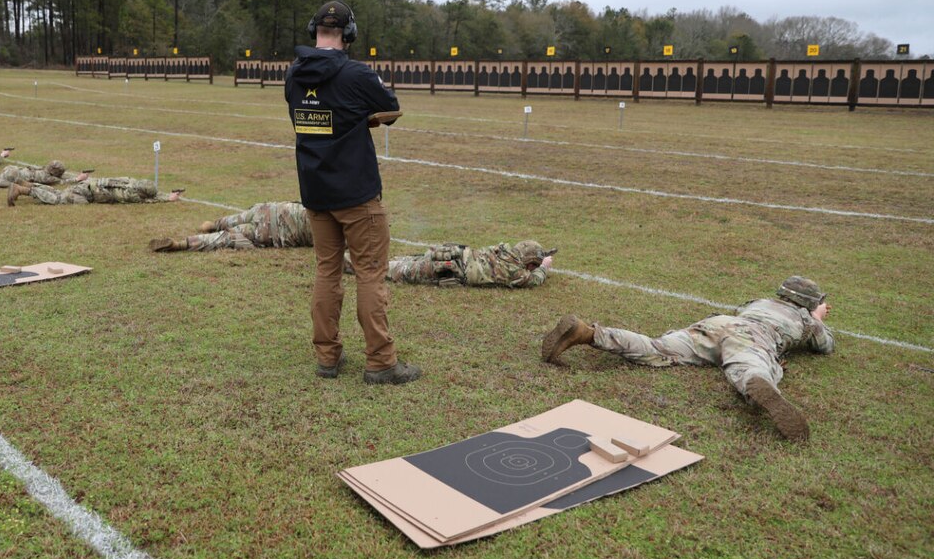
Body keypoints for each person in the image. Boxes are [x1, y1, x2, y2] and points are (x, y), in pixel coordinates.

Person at [285, 0, 418, 385]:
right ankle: (381, 361)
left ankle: (327, 357)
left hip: (315, 190)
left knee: (327, 272)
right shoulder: (357, 73)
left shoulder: (294, 75)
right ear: (349, 34)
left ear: (316, 32)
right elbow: (390, 107)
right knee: (370, 275)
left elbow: (304, 119)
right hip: (357, 193)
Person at [540, 276, 835, 441]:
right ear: (810, 304)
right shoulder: (806, 320)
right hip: (753, 336)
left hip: (716, 324)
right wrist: (817, 318)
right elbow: (825, 346)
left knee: (659, 348)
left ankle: (588, 333)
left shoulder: (759, 302)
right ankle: (758, 382)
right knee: (749, 365)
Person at [347, 240, 556, 288]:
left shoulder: (503, 251)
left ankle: (347, 259)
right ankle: (343, 262)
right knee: (388, 269)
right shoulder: (515, 272)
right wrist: (544, 267)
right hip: (445, 269)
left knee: (394, 263)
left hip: (448, 256)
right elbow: (535, 280)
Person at [149, 201, 311, 251]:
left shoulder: (325, 207)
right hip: (273, 231)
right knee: (224, 238)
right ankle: (182, 244)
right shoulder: (328, 230)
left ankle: (213, 224)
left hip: (271, 209)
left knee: (236, 218)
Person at [8, 176, 181, 206]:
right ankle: (23, 190)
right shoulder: (131, 195)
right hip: (85, 193)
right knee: (58, 200)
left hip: (89, 185)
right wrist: (167, 198)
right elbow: (147, 200)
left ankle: (30, 185)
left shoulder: (131, 182)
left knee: (59, 194)